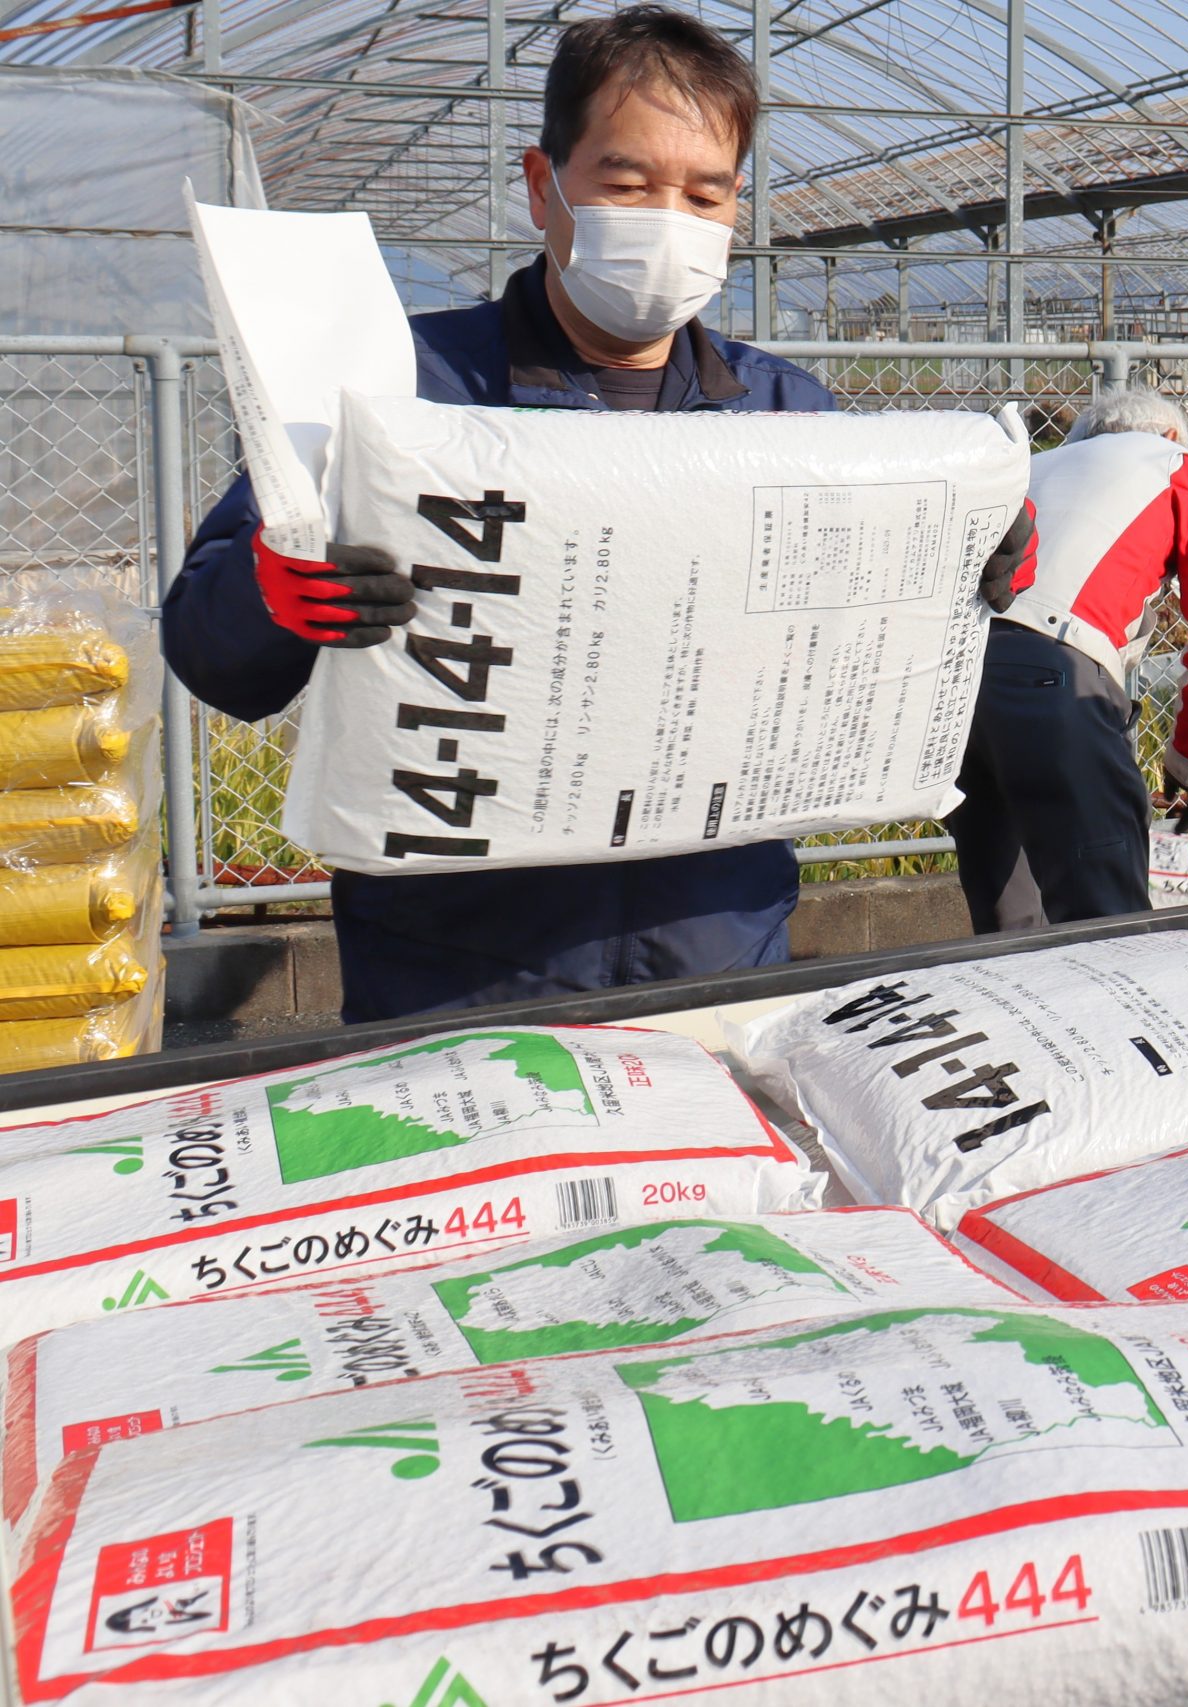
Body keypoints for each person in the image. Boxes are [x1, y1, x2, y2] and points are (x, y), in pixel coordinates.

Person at [164, 6, 1034, 1020]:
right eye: (627, 185)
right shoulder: (400, 387)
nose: (670, 221)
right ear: (544, 186)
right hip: (457, 978)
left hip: (719, 961)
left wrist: (970, 565)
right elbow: (214, 657)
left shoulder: (788, 414)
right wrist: (273, 585)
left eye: (704, 194)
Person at [948, 387, 1188, 931]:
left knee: (1006, 931)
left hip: (953, 682)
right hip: (1055, 677)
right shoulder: (1176, 466)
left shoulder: (1033, 467)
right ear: (1171, 435)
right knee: (1109, 928)